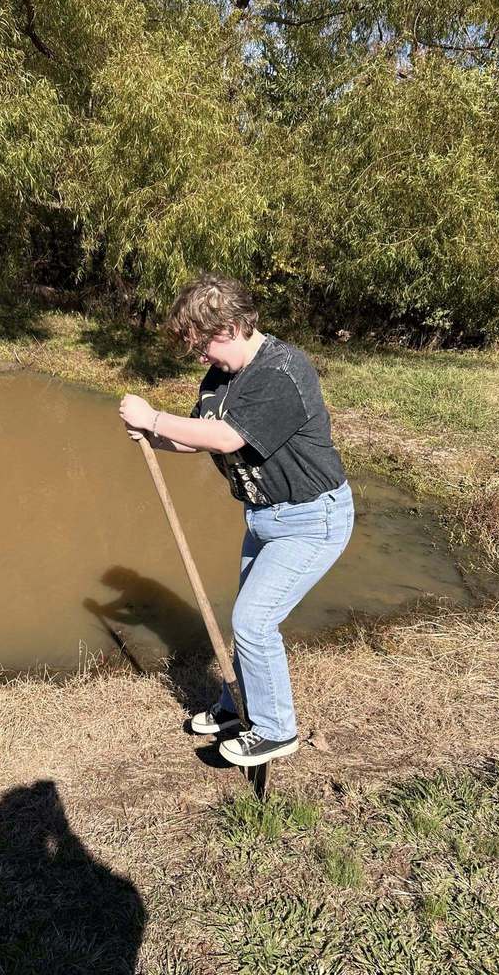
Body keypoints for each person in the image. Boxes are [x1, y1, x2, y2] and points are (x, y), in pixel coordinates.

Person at [118, 273, 354, 767]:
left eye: (201, 345)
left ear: (228, 327)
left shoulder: (282, 371)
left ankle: (274, 730)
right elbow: (201, 434)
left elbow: (228, 437)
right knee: (247, 616)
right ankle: (238, 707)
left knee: (254, 621)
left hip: (312, 518)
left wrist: (154, 417)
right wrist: (155, 436)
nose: (200, 357)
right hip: (264, 516)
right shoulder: (221, 379)